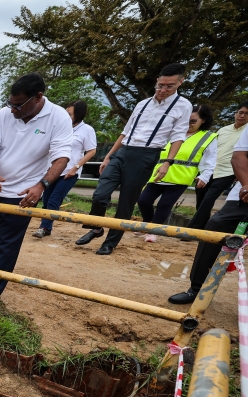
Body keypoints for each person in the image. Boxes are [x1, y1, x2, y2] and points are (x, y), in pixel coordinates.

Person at [0, 73, 72, 309]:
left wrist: (42, 185)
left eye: (19, 105)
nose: (13, 110)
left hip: (23, 195)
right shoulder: (4, 114)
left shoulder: (58, 117)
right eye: (11, 103)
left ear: (38, 97)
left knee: (6, 245)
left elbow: (61, 157)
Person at [75, 63, 193, 255]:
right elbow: (125, 132)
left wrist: (167, 163)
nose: (163, 90)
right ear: (157, 81)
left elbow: (178, 136)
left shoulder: (183, 106)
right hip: (123, 152)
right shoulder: (143, 104)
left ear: (181, 82)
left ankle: (110, 242)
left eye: (169, 86)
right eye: (160, 85)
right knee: (100, 194)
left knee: (125, 203)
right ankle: (96, 227)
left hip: (146, 155)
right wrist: (109, 156)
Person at [168, 127, 248, 304]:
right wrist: (246, 185)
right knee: (214, 227)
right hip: (243, 195)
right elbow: (239, 157)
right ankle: (196, 289)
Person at [137, 104, 216, 242]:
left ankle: (153, 231)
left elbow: (210, 159)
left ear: (203, 120)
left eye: (193, 121)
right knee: (143, 200)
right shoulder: (173, 132)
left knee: (164, 204)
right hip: (159, 174)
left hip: (180, 177)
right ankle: (148, 224)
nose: (188, 124)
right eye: (186, 120)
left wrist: (205, 175)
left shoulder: (208, 137)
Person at [32, 100, 97, 237]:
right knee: (46, 199)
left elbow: (91, 151)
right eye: (66, 113)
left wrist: (76, 167)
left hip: (69, 172)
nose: (67, 117)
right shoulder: (60, 127)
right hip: (52, 170)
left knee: (54, 200)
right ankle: (47, 227)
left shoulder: (87, 130)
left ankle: (44, 227)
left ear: (79, 114)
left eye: (70, 114)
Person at [188, 100, 248, 231]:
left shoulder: (246, 133)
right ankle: (203, 227)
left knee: (208, 199)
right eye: (241, 112)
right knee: (201, 199)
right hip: (209, 170)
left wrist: (240, 173)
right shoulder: (223, 130)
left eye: (246, 114)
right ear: (235, 114)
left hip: (227, 172)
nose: (242, 116)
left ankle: (194, 228)